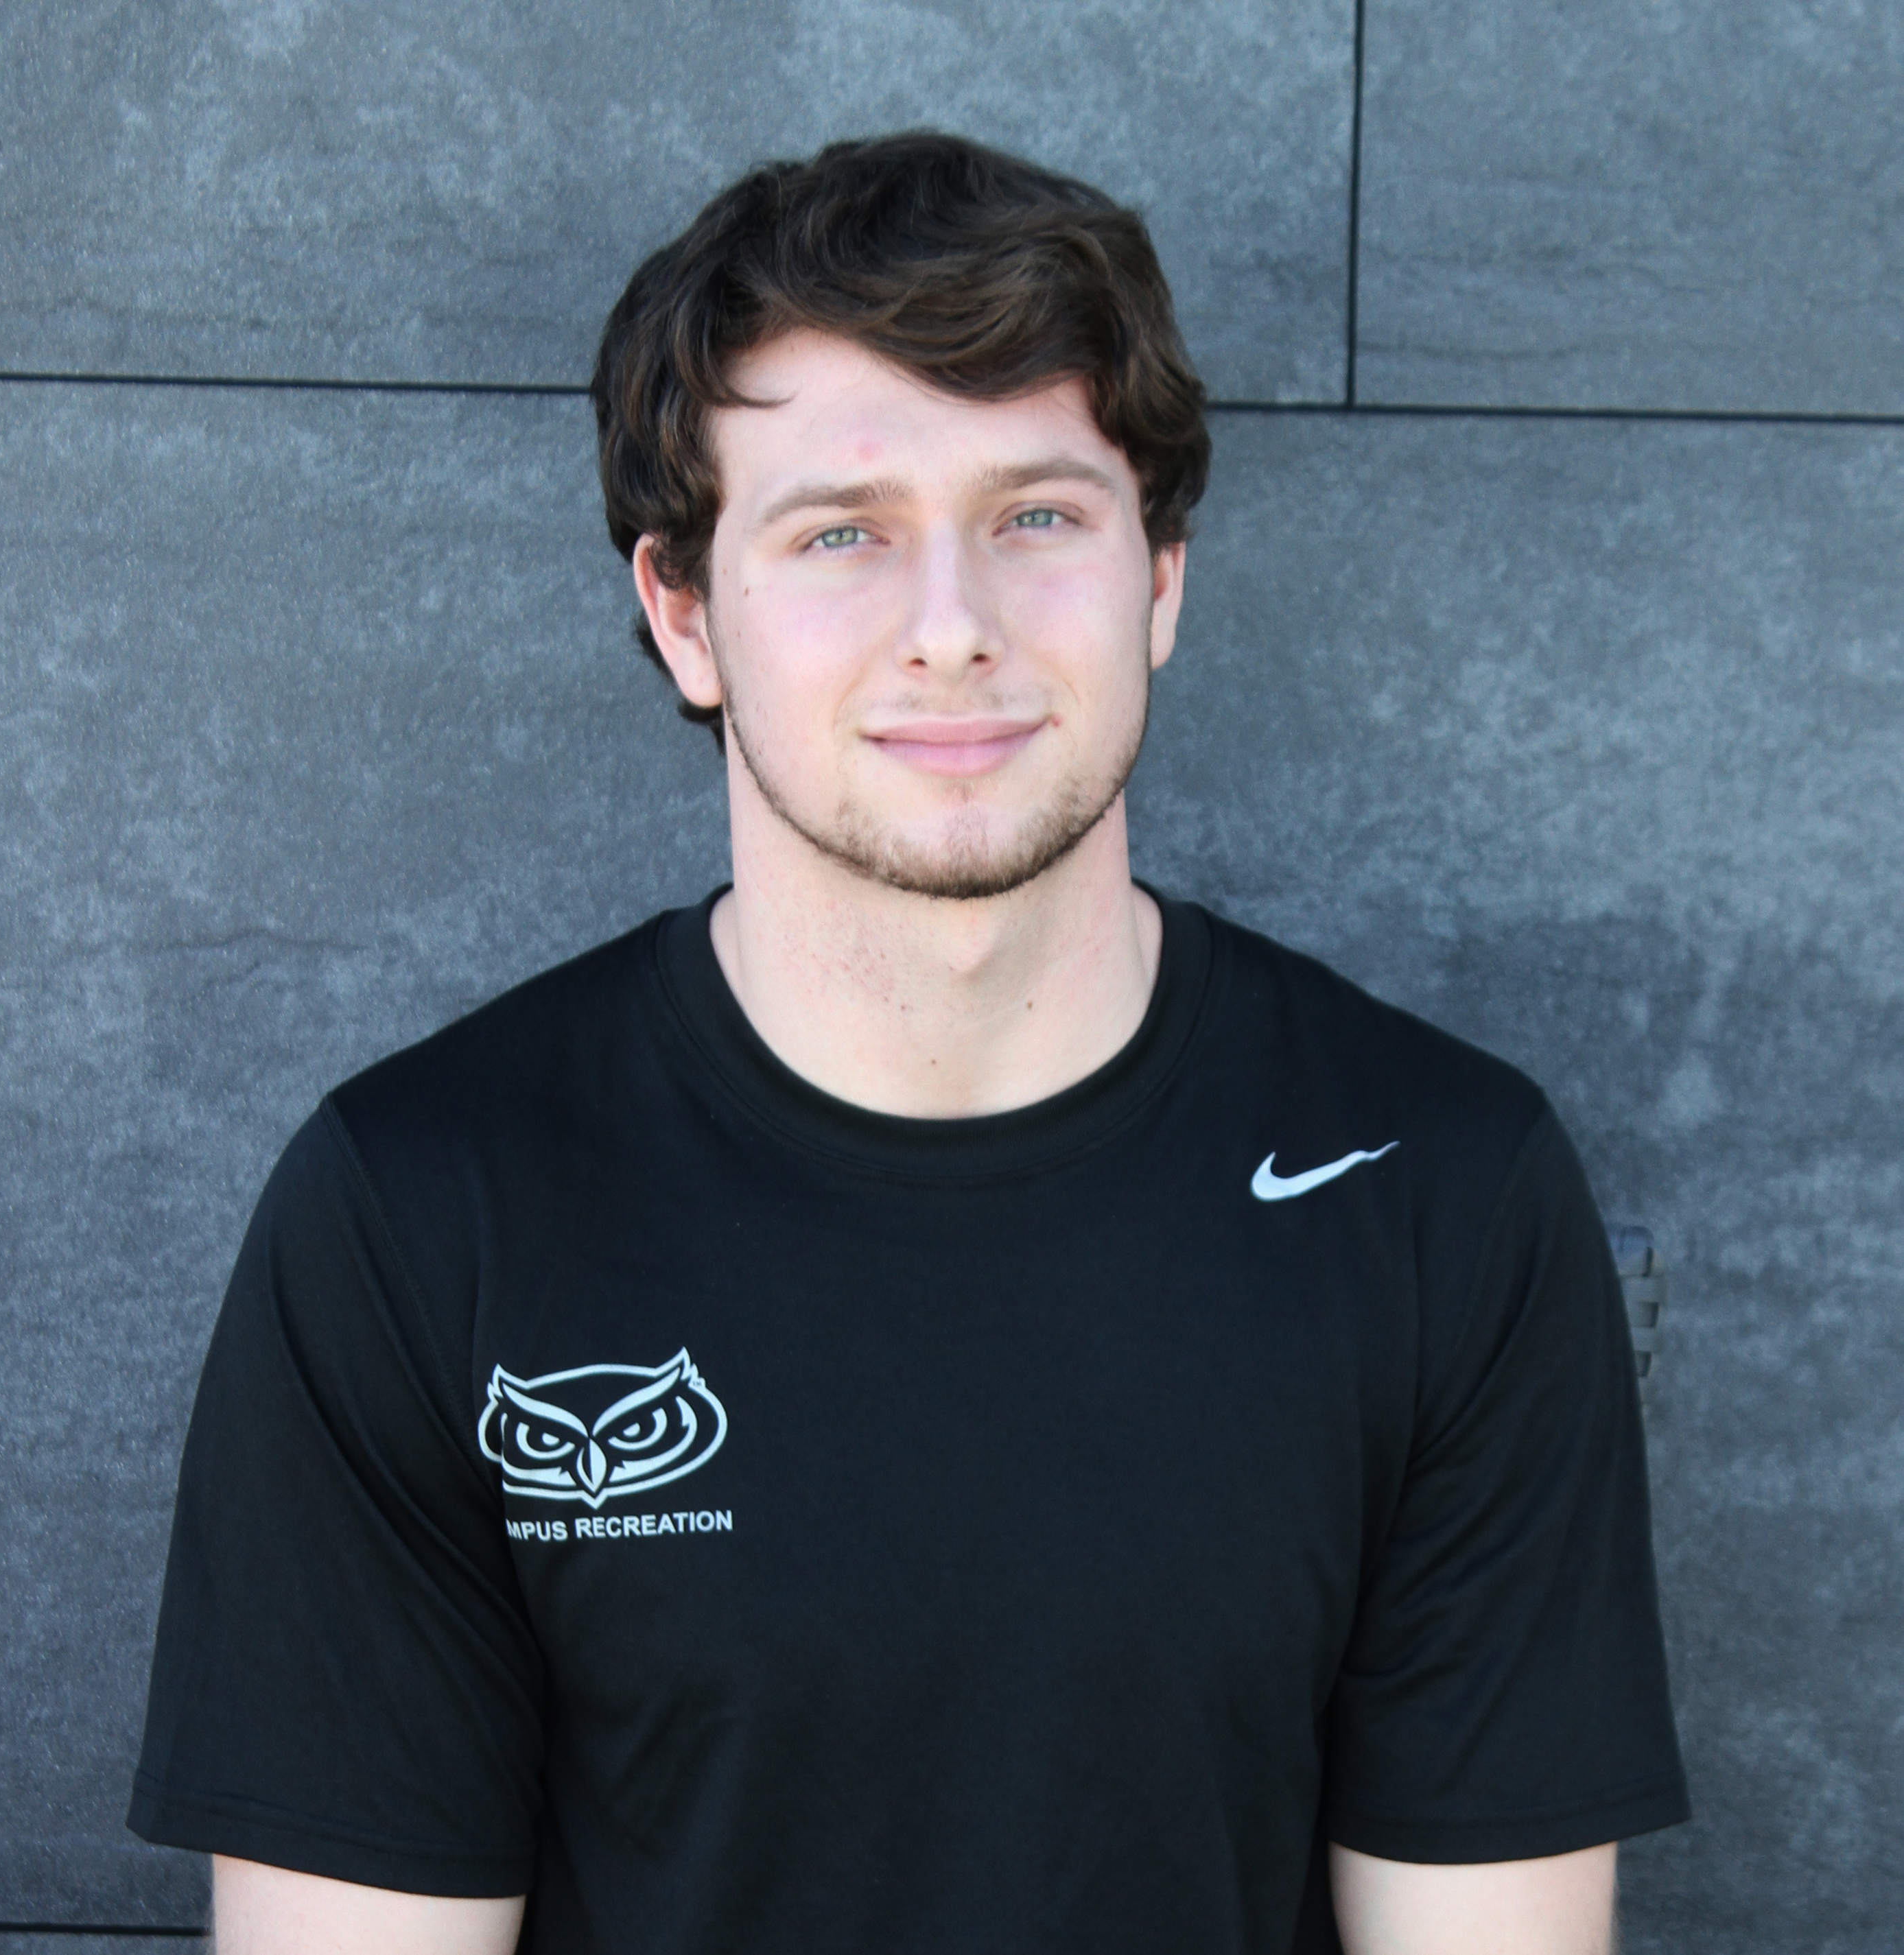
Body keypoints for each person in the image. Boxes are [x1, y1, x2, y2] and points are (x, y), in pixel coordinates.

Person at [128, 132, 1689, 1954]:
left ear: (1159, 577)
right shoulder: (416, 1214)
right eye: (842, 534)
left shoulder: (1440, 1193)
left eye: (1037, 516)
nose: (952, 629)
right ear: (684, 614)